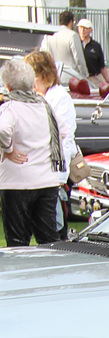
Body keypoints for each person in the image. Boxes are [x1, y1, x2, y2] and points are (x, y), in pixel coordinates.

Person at [0, 58, 63, 247]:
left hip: (17, 181)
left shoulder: (10, 108)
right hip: (46, 179)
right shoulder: (44, 105)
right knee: (48, 238)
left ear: (8, 86)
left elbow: (2, 130)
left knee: (18, 240)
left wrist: (8, 149)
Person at [23, 51, 76, 240]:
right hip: (36, 173)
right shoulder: (33, 96)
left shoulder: (60, 97)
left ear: (45, 75)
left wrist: (61, 175)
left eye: (34, 76)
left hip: (53, 174)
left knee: (53, 228)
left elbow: (65, 139)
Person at [41, 10, 88, 90]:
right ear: (71, 22)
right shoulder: (73, 35)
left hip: (56, 75)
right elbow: (78, 59)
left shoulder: (50, 35)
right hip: (72, 76)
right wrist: (85, 75)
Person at [76, 18, 109, 96]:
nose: (82, 30)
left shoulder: (96, 46)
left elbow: (102, 66)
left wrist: (107, 81)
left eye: (85, 28)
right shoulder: (75, 43)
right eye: (80, 28)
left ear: (90, 30)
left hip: (94, 77)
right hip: (80, 77)